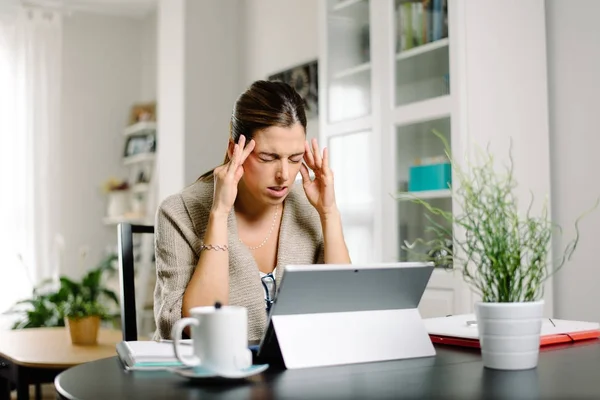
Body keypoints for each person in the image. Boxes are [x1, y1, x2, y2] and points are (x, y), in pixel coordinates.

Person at [152, 80, 351, 342]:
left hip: (292, 373)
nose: (284, 175)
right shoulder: (179, 211)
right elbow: (194, 327)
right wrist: (219, 214)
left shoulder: (309, 204)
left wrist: (328, 213)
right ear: (236, 150)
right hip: (210, 373)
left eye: (294, 159)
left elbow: (345, 307)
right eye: (268, 158)